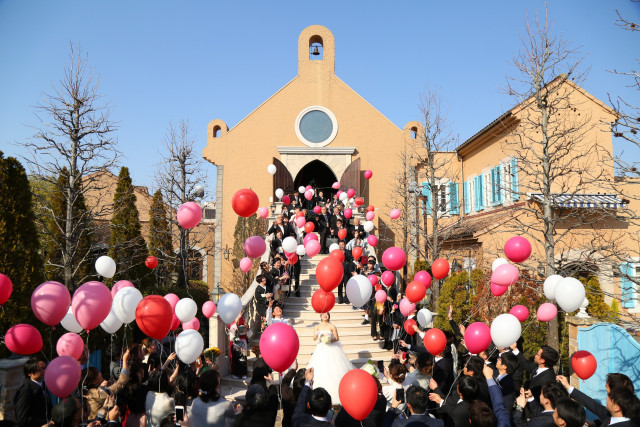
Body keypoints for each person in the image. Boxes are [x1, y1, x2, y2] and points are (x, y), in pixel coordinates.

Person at [306, 312, 354, 405]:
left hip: (331, 347)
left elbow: (336, 338)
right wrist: (319, 335)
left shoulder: (332, 326)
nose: (325, 315)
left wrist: (329, 340)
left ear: (329, 316)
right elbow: (314, 338)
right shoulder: (317, 326)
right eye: (323, 314)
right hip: (321, 348)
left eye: (327, 314)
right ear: (320, 316)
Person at [83, 349, 131, 419]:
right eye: (97, 373)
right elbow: (122, 381)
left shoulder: (87, 391)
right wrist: (124, 360)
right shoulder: (99, 393)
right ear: (94, 380)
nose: (100, 373)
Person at [13, 357, 51, 427]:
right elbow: (22, 418)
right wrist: (45, 422)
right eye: (40, 369)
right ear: (29, 373)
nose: (44, 371)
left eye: (45, 368)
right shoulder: (25, 391)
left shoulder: (44, 386)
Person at [229, 311, 248, 379]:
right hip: (235, 340)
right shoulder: (232, 318)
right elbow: (231, 328)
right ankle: (235, 373)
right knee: (236, 357)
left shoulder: (243, 318)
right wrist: (237, 318)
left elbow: (246, 328)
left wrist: (246, 326)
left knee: (243, 357)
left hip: (242, 339)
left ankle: (243, 373)